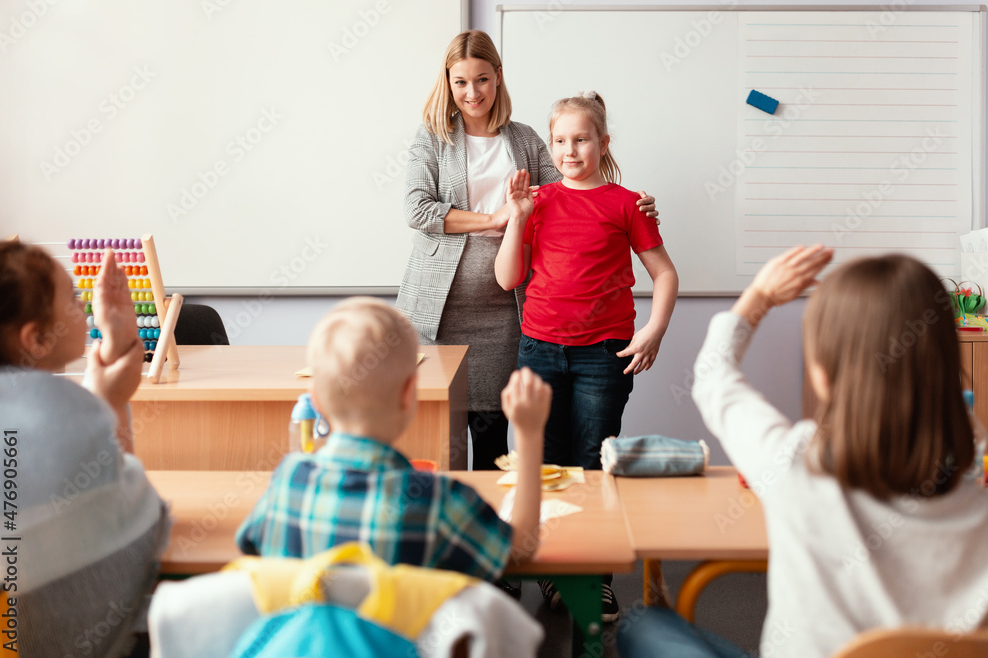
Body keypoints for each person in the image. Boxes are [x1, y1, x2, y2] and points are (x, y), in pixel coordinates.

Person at [618, 247, 988, 658]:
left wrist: (758, 297)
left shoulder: (796, 462)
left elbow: (714, 378)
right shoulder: (976, 483)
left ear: (824, 373)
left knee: (645, 625)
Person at [396, 30, 657, 472]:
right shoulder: (433, 138)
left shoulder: (523, 139)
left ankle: (494, 532)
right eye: (460, 82)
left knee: (494, 440)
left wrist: (634, 203)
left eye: (481, 79)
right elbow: (418, 209)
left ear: (498, 77)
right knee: (440, 445)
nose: (472, 92)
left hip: (506, 315)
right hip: (438, 314)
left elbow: (573, 185)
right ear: (448, 83)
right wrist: (495, 219)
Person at [495, 92, 678, 622]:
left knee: (592, 462)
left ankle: (593, 575)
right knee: (542, 464)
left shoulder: (626, 203)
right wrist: (516, 217)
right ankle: (552, 567)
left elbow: (664, 273)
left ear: (602, 143)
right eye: (559, 140)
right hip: (540, 349)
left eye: (580, 139)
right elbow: (509, 277)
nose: (569, 149)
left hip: (604, 354)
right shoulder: (539, 201)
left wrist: (655, 331)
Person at [235, 297, 551, 584]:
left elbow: (249, 546)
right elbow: (519, 549)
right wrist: (529, 434)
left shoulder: (288, 479)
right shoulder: (438, 502)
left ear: (315, 400)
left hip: (300, 648)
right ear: (408, 394)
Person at [0, 240, 167, 658]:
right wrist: (110, 398)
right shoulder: (68, 415)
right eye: (71, 297)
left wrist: (108, 385)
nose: (83, 303)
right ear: (36, 337)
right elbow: (130, 512)